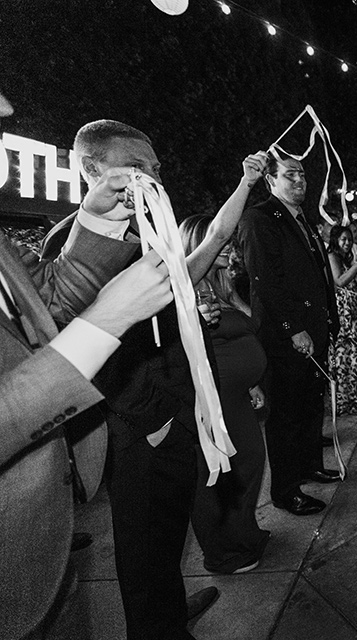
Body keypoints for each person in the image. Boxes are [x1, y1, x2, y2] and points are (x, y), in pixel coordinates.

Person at [41, 120, 244, 639]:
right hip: (137, 423)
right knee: (143, 543)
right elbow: (76, 341)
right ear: (93, 170)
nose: (154, 177)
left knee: (168, 535)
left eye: (155, 168)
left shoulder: (149, 235)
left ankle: (169, 612)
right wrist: (149, 416)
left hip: (173, 409)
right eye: (140, 167)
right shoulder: (72, 244)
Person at [0, 151, 173, 639]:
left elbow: (47, 304)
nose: (6, 108)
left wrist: (96, 223)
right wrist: (108, 320)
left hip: (46, 548)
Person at [238, 150, 342, 517]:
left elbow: (317, 276)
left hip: (314, 328)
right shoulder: (260, 217)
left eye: (303, 176)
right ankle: (286, 490)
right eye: (290, 175)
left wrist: (330, 319)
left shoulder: (303, 220)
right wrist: (292, 328)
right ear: (271, 180)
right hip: (287, 336)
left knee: (310, 403)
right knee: (286, 413)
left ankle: (310, 464)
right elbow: (265, 281)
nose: (300, 181)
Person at [180, 209, 271, 575]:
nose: (226, 246)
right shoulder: (186, 292)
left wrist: (251, 382)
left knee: (249, 465)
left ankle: (244, 535)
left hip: (238, 397)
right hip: (213, 401)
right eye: (216, 239)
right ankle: (223, 553)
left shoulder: (225, 285)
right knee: (218, 476)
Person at [327, 223, 357, 414]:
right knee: (345, 355)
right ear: (335, 240)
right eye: (343, 239)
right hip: (343, 314)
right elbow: (339, 282)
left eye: (349, 239)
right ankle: (344, 400)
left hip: (354, 311)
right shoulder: (332, 257)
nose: (347, 243)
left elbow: (350, 286)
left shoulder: (346, 258)